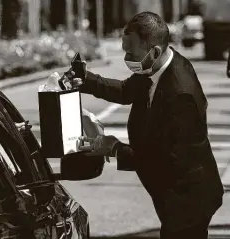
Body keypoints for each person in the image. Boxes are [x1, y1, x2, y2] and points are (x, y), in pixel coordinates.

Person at [66, 11, 224, 239]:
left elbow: (165, 160)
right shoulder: (155, 66)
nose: (126, 57)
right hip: (172, 195)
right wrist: (86, 80)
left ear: (155, 51)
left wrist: (115, 149)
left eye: (130, 52)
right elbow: (125, 90)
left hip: (189, 200)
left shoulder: (181, 95)